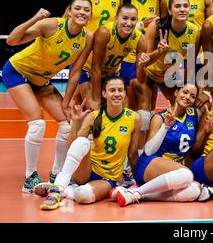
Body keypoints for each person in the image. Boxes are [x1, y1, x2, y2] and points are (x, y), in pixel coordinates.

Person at [2, 0, 94, 192]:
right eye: (77, 8)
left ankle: (57, 174)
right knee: (37, 124)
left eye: (86, 10)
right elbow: (11, 39)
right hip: (17, 72)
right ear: (69, 10)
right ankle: (30, 177)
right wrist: (35, 18)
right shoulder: (52, 25)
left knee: (66, 125)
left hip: (41, 80)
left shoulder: (87, 37)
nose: (82, 12)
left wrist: (66, 102)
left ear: (90, 15)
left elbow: (75, 71)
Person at [33, 76, 141, 209]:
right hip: (87, 170)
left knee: (82, 196)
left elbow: (132, 154)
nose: (117, 94)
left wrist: (139, 181)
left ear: (125, 93)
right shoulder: (94, 116)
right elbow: (72, 147)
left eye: (120, 90)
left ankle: (64, 189)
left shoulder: (134, 118)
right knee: (82, 141)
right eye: (112, 90)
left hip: (108, 177)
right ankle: (57, 190)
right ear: (104, 93)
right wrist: (76, 123)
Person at [112, 84, 203, 206]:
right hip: (150, 165)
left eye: (192, 96)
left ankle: (135, 193)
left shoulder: (195, 115)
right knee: (186, 175)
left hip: (172, 172)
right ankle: (136, 192)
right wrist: (165, 126)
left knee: (194, 190)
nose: (187, 97)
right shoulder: (159, 118)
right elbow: (149, 151)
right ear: (176, 92)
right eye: (185, 92)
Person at [77, 0, 150, 111]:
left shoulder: (140, 39)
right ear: (116, 19)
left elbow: (141, 80)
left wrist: (142, 66)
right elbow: (95, 67)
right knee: (94, 108)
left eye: (133, 19)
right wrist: (97, 100)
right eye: (125, 18)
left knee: (124, 110)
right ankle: (79, 95)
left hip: (112, 72)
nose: (129, 23)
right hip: (88, 70)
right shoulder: (105, 32)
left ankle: (78, 97)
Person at [120, 0, 160, 142]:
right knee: (129, 107)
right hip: (128, 60)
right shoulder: (125, 0)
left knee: (148, 110)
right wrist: (141, 25)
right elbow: (120, 28)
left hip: (148, 60)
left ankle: (142, 153)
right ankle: (127, 156)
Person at [143, 0, 202, 110]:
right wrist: (159, 52)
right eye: (177, 6)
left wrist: (187, 89)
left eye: (185, 6)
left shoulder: (194, 31)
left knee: (183, 105)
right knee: (145, 112)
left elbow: (190, 65)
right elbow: (145, 62)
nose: (182, 9)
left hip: (168, 76)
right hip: (147, 74)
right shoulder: (155, 26)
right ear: (169, 11)